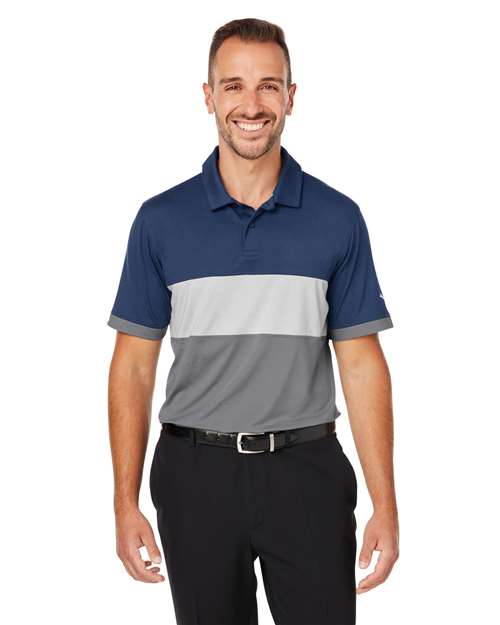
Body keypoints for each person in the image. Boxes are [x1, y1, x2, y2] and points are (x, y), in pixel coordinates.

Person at [107, 17, 399, 625]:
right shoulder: (160, 221)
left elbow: (361, 364)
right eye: (233, 85)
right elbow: (133, 366)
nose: (252, 104)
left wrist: (385, 502)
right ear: (208, 96)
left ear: (291, 96)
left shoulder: (338, 218)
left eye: (268, 85)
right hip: (194, 475)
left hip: (308, 472)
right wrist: (124, 502)